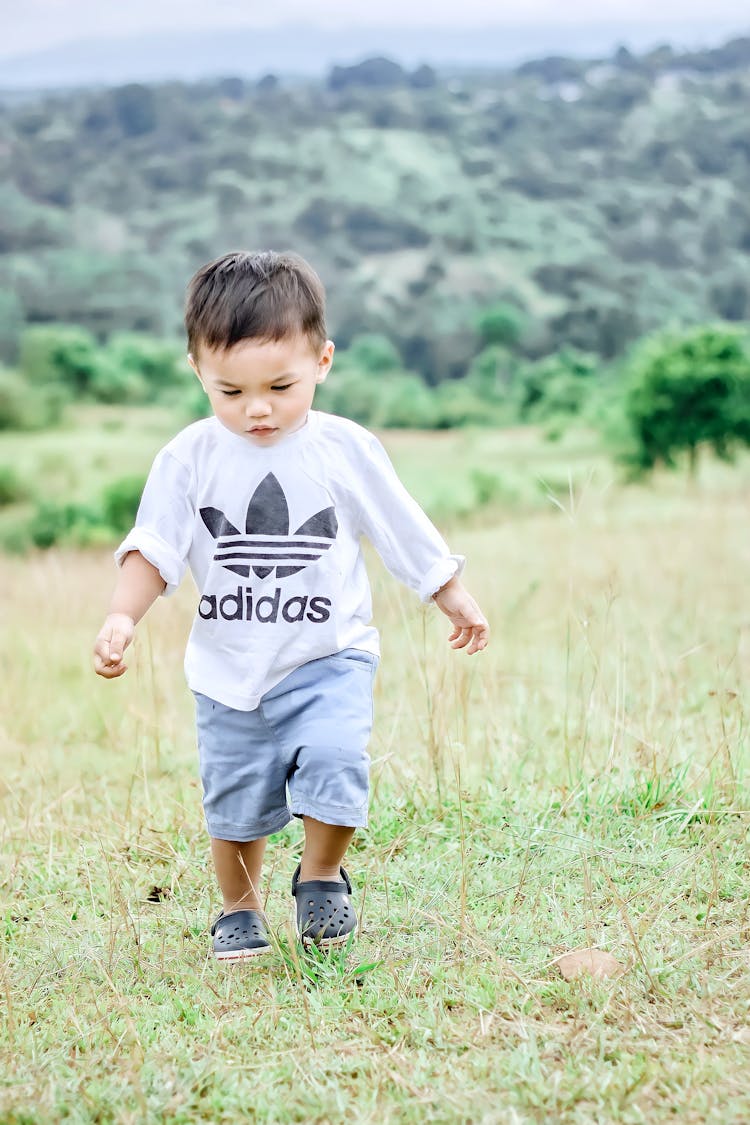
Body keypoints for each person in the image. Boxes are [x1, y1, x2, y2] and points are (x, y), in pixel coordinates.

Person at [93, 250, 489, 963]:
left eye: (281, 385)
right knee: (236, 804)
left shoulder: (343, 448)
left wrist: (449, 592)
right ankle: (239, 909)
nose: (258, 409)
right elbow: (154, 545)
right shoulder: (188, 457)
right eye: (230, 390)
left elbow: (400, 524)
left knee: (337, 761)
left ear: (323, 360)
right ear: (197, 370)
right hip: (228, 673)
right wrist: (124, 615)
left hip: (328, 655)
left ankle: (322, 874)